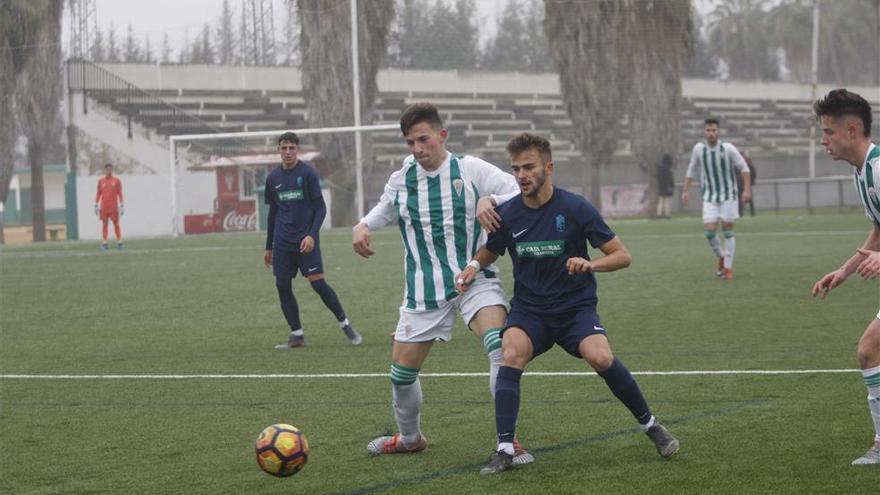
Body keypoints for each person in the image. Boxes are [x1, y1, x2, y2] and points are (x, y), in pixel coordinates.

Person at [457, 133, 679, 475]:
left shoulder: (575, 208)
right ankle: (504, 449)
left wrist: (591, 264)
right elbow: (493, 248)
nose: (521, 175)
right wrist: (472, 267)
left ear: (548, 167)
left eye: (529, 167)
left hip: (575, 310)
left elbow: (622, 256)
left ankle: (652, 426)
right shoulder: (509, 212)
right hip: (531, 312)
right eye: (516, 169)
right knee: (509, 353)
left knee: (600, 356)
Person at [352, 103, 533, 465]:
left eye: (423, 139)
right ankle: (409, 438)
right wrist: (364, 224)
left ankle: (508, 442)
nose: (417, 149)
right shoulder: (403, 177)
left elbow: (515, 188)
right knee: (401, 375)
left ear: (441, 136)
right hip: (423, 288)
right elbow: (386, 206)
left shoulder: (469, 168)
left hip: (474, 278)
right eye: (410, 142)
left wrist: (490, 198)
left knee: (501, 346)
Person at [811, 88, 880, 466]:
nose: (824, 141)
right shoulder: (862, 171)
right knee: (870, 349)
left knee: (869, 348)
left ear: (852, 130)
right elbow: (878, 232)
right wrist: (845, 270)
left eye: (829, 132)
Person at [264, 131, 362, 349]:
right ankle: (297, 335)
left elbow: (320, 207)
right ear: (279, 150)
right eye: (284, 148)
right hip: (282, 242)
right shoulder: (273, 178)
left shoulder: (307, 174)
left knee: (318, 283)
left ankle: (345, 324)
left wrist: (311, 235)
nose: (287, 152)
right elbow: (273, 214)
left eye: (291, 148)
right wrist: (268, 245)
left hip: (305, 241)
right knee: (282, 285)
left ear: (297, 150)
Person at [681, 118, 752, 280]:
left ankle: (727, 269)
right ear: (704, 132)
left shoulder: (728, 149)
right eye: (708, 130)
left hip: (728, 195)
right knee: (709, 231)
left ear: (718, 132)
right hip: (709, 196)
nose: (711, 133)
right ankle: (721, 256)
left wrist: (747, 189)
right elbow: (691, 168)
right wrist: (685, 190)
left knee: (727, 230)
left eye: (714, 130)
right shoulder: (699, 149)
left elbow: (744, 168)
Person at [94, 163, 124, 250]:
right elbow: (98, 193)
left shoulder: (117, 181)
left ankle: (119, 242)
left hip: (113, 207)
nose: (109, 171)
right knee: (104, 224)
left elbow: (120, 193)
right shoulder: (101, 181)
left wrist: (121, 204)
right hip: (104, 207)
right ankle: (104, 243)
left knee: (116, 224)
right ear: (105, 170)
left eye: (110, 169)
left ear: (112, 170)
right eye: (107, 169)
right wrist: (96, 204)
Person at [737, 151, 757, 217]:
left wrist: (750, 183)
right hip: (739, 186)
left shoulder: (749, 165)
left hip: (747, 185)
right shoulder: (737, 165)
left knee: (750, 200)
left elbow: (753, 174)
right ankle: (740, 214)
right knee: (739, 201)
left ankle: (752, 214)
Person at [656, 153, 675, 219]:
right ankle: (667, 215)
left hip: (661, 187)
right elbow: (671, 178)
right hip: (667, 187)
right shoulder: (669, 169)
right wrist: (672, 186)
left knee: (661, 201)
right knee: (667, 201)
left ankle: (659, 214)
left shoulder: (659, 168)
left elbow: (658, 178)